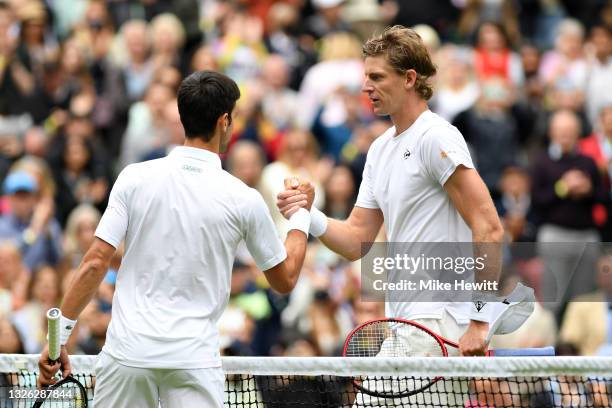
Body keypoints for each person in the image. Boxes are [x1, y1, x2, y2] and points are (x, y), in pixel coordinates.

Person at [38, 71, 314, 408]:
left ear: (183, 117)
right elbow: (284, 280)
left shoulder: (134, 178)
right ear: (225, 121)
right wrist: (301, 216)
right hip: (193, 362)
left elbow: (95, 261)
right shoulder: (243, 197)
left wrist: (58, 341)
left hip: (128, 355)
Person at [277, 25, 504, 404]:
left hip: (440, 325)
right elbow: (354, 239)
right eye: (366, 77)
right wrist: (310, 214)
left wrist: (479, 322)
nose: (366, 86)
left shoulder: (437, 137)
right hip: (404, 327)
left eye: (377, 77)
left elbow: (490, 228)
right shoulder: (380, 150)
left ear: (410, 79)